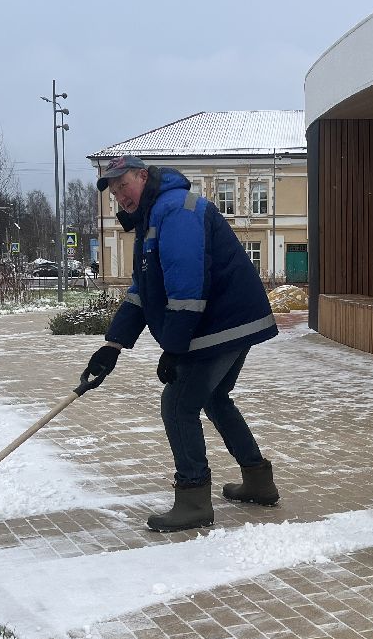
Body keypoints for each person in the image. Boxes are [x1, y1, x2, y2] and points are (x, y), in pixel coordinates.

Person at [81, 155, 280, 531]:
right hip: (230, 320)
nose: (120, 195)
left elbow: (187, 287)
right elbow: (143, 291)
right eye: (114, 190)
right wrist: (112, 346)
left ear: (143, 176)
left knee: (177, 405)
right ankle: (258, 480)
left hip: (220, 322)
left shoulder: (175, 211)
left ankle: (193, 500)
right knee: (214, 398)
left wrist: (174, 348)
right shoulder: (152, 216)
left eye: (124, 185)